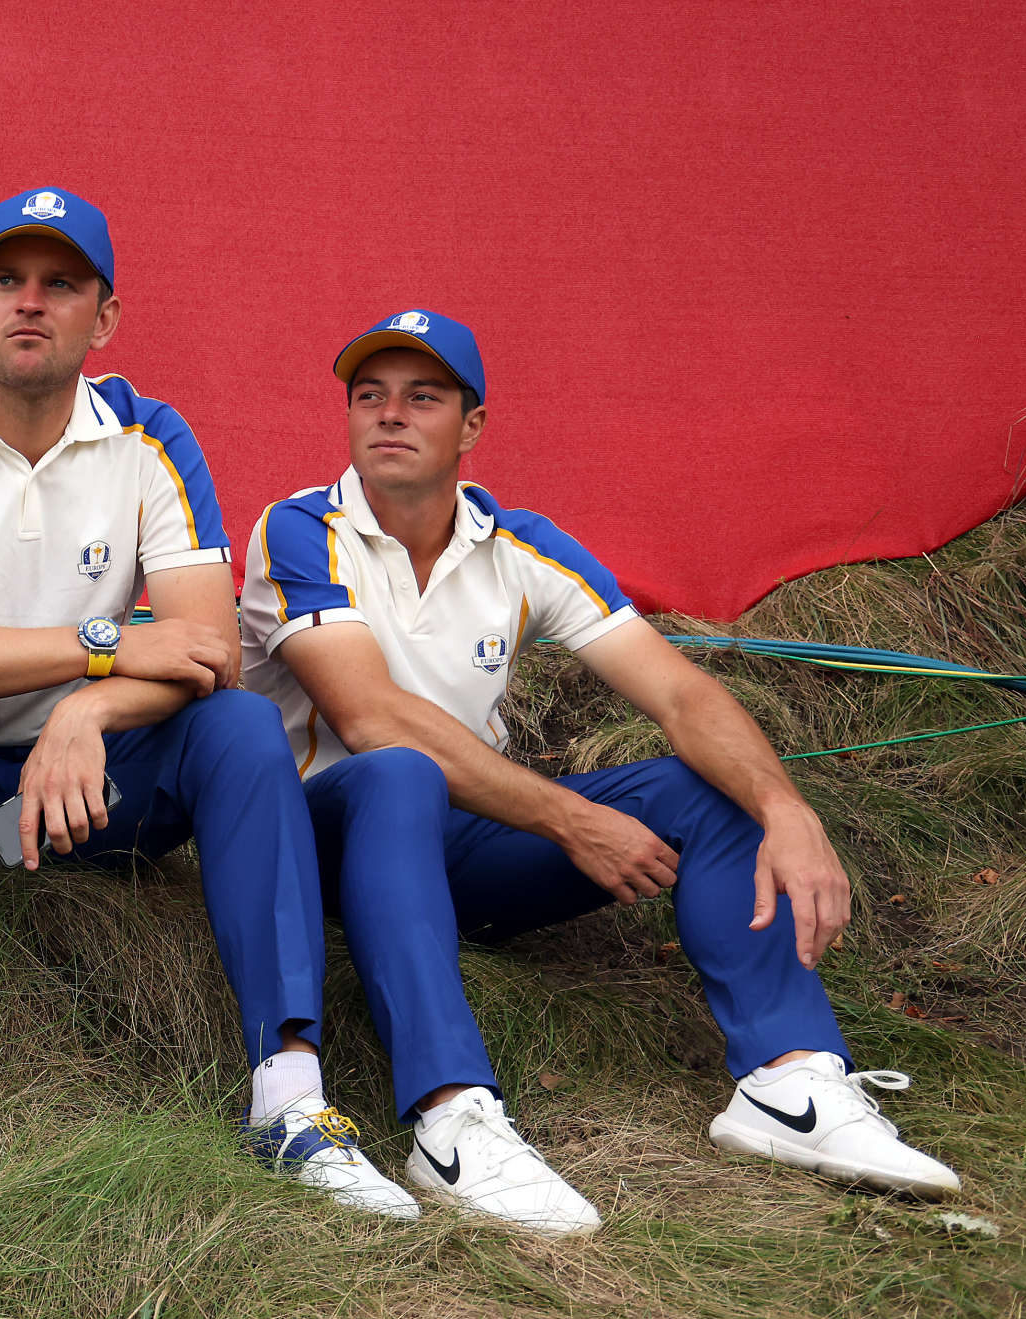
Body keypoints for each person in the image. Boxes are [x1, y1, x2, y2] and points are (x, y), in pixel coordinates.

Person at [238, 308, 961, 1236]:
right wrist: (569, 820)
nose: (390, 415)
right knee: (397, 774)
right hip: (328, 844)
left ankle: (790, 1084)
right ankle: (449, 1120)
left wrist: (788, 809)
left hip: (458, 848)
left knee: (704, 787)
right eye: (368, 396)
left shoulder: (521, 540)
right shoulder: (299, 529)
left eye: (423, 397)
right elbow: (370, 718)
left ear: (474, 426)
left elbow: (681, 696)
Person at [0, 189, 417, 1242]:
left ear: (106, 316)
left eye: (61, 284)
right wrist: (97, 645)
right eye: (7, 281)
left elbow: (206, 646)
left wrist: (86, 712)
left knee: (233, 727)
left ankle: (292, 1096)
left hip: (78, 798)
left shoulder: (151, 434)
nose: (30, 304)